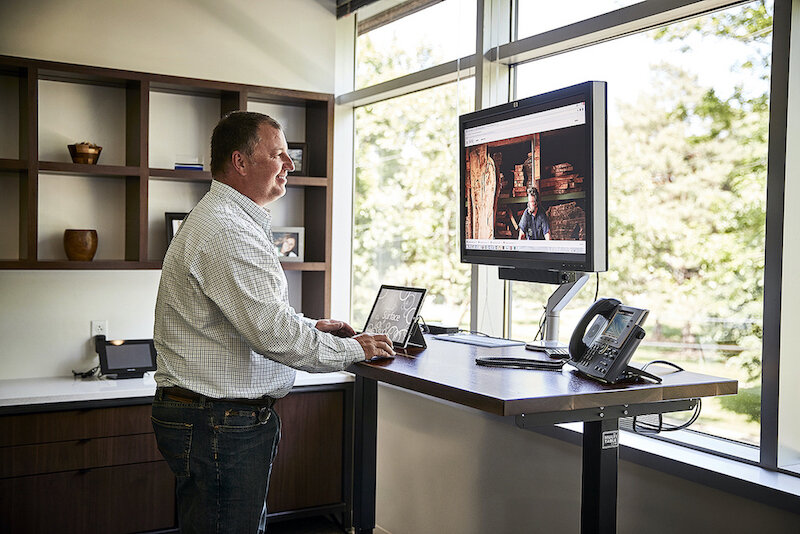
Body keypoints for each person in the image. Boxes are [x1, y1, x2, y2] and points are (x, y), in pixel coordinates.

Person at [151, 111, 394, 534]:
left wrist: (311, 328)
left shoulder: (225, 220)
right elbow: (274, 334)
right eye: (279, 154)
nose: (290, 164)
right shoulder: (227, 230)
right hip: (220, 423)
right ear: (240, 161)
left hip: (214, 419)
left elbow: (254, 319)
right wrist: (356, 349)